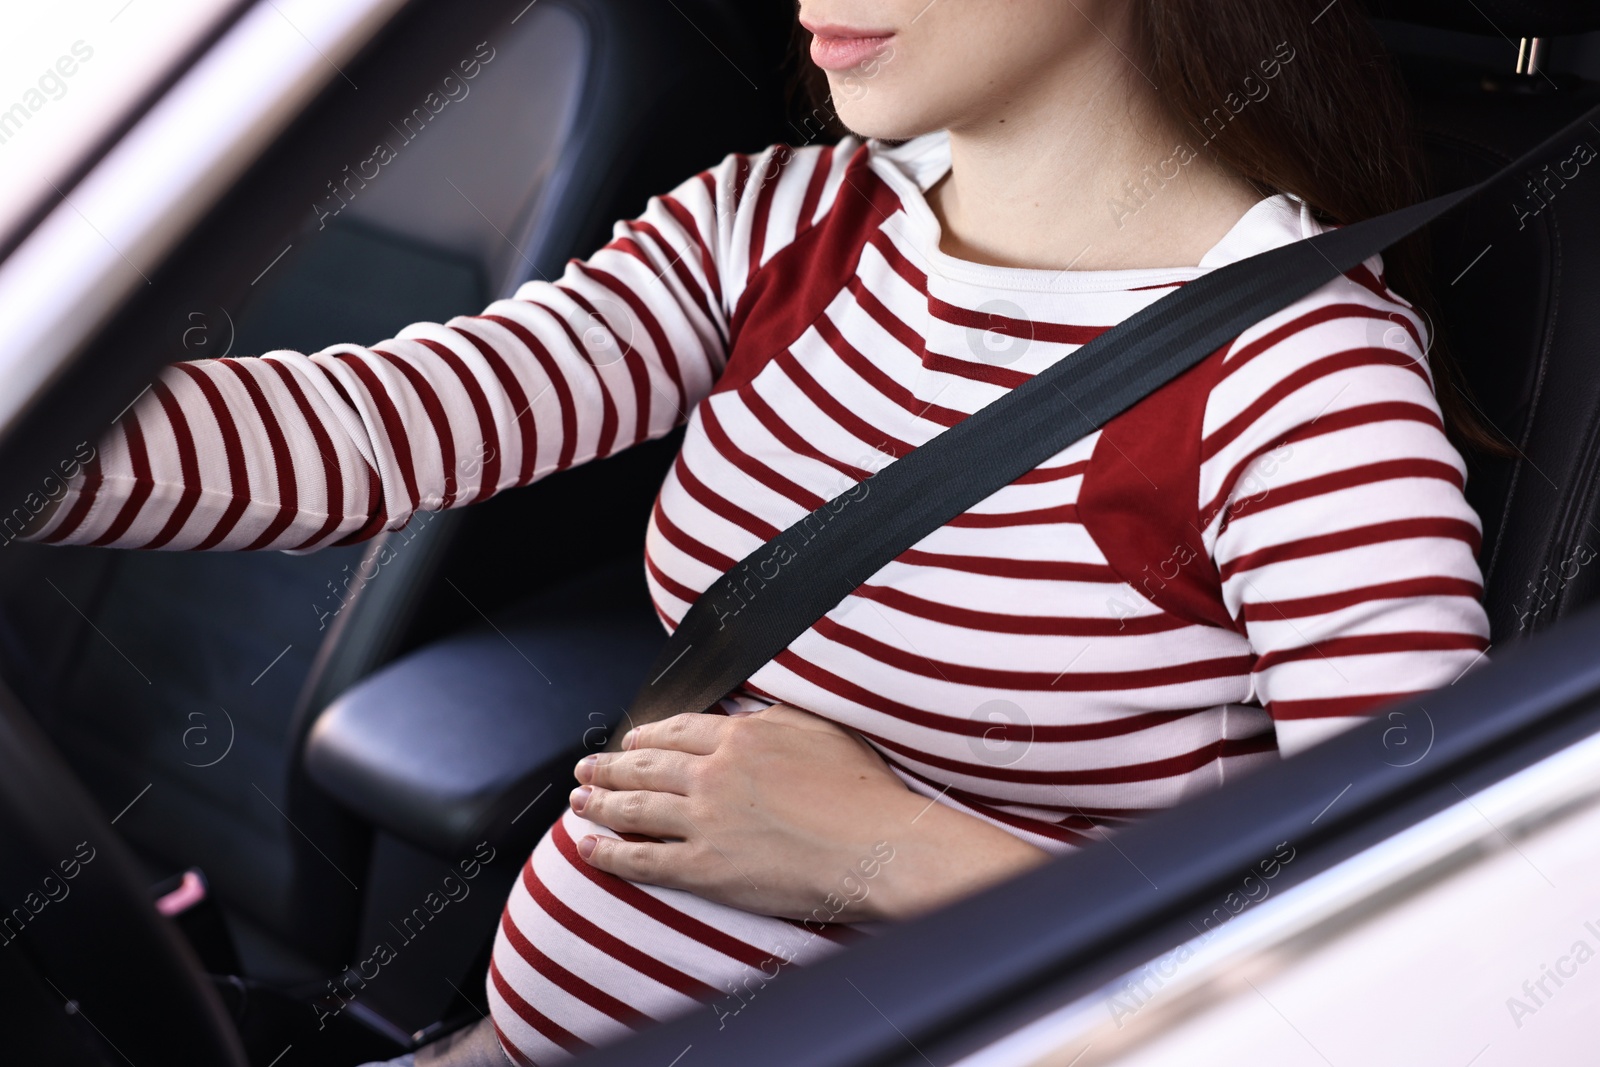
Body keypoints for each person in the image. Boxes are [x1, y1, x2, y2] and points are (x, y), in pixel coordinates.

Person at [24, 0, 1493, 1063]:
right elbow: (374, 432)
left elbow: (1410, 954)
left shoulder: (1300, 378)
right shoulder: (777, 224)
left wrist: (885, 852)